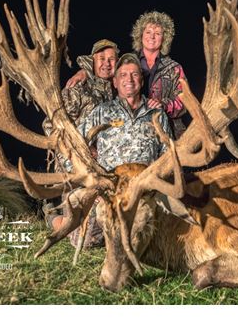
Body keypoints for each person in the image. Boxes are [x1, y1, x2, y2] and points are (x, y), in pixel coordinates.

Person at [48, 53, 172, 238]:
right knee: (87, 238)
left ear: (141, 80)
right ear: (115, 82)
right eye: (123, 75)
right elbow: (73, 148)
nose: (129, 79)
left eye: (134, 74)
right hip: (109, 194)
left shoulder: (157, 114)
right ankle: (53, 218)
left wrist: (158, 187)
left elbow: (169, 157)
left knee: (161, 234)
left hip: (145, 192)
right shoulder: (102, 112)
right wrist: (92, 187)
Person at [42, 39, 119, 248]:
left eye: (112, 59)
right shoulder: (78, 88)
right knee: (88, 237)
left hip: (103, 167)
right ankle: (55, 218)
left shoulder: (118, 90)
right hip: (76, 166)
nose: (106, 63)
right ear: (92, 61)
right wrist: (81, 150)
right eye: (101, 58)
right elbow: (50, 125)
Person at [66, 11, 187, 138]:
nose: (152, 37)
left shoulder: (174, 69)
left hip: (167, 133)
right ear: (140, 34)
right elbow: (106, 70)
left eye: (158, 33)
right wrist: (85, 71)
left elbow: (185, 102)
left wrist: (164, 105)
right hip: (129, 132)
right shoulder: (128, 61)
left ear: (164, 38)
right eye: (148, 32)